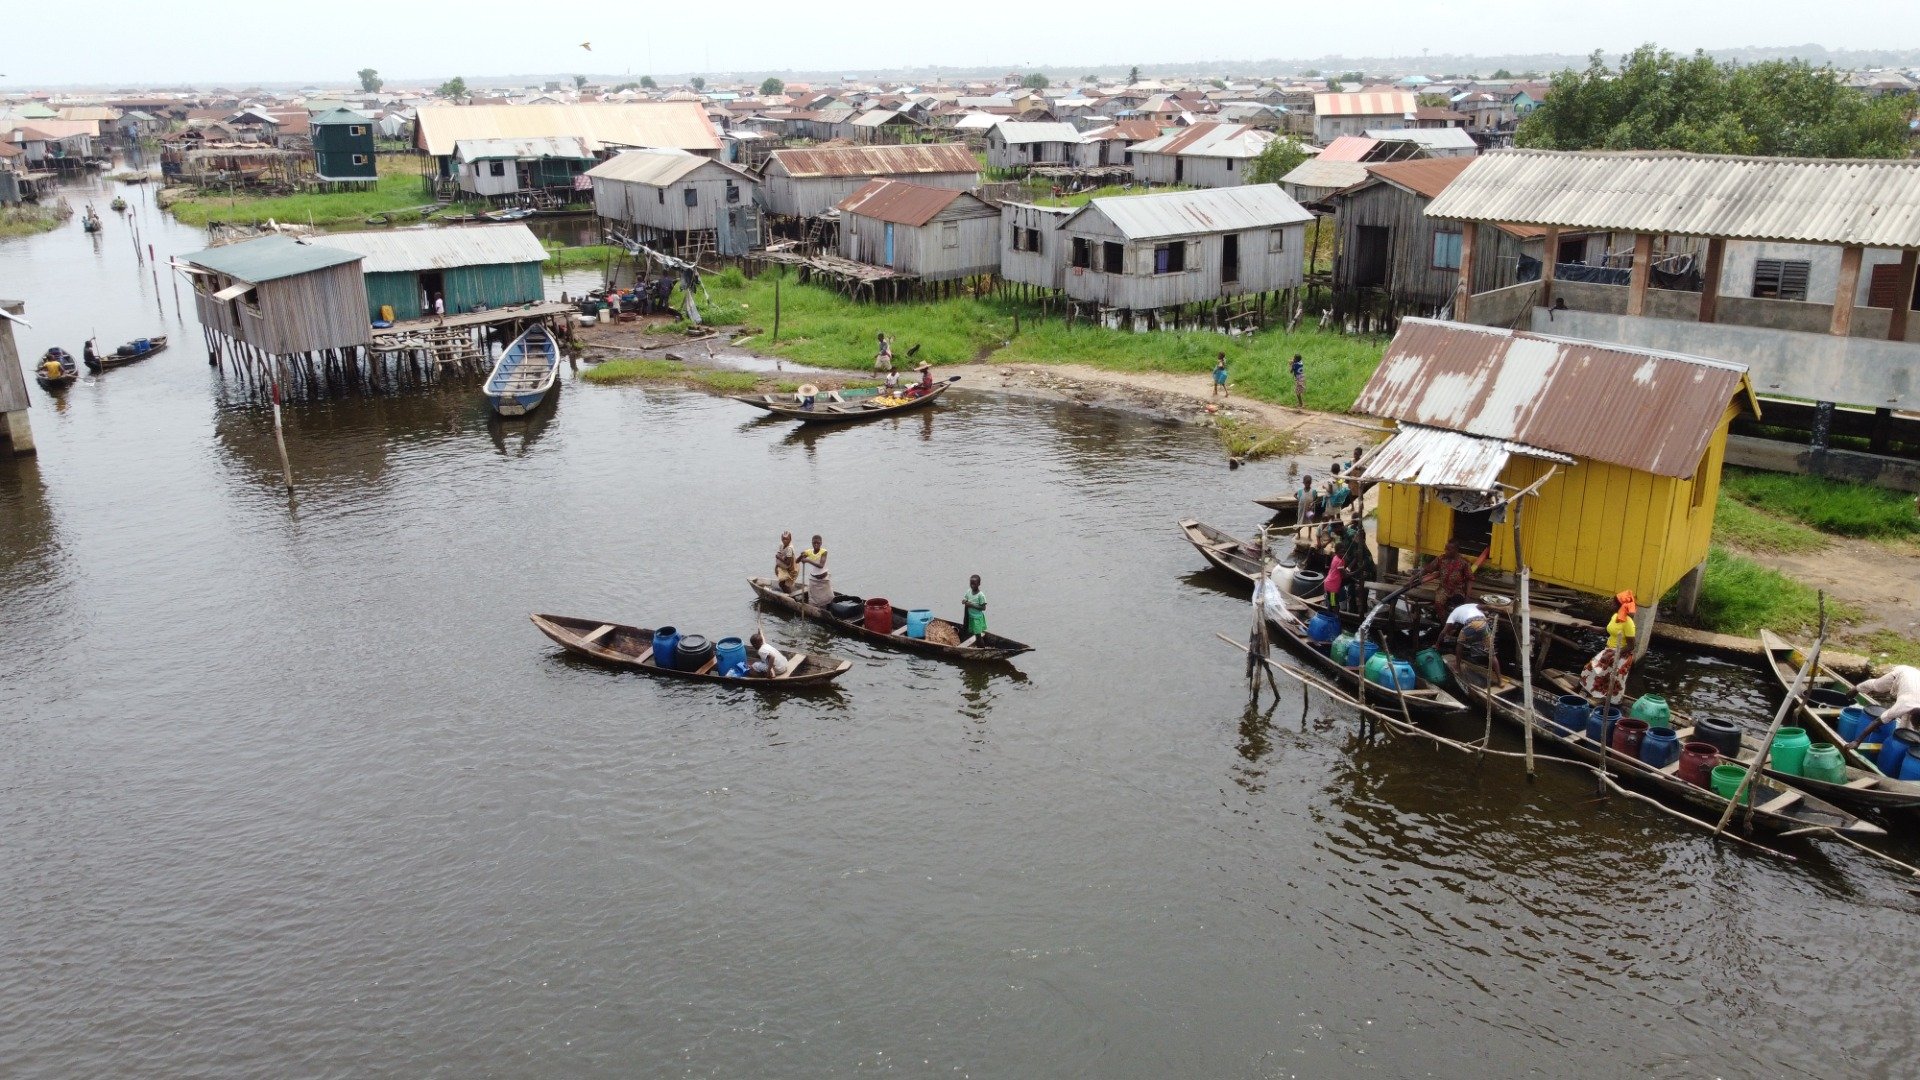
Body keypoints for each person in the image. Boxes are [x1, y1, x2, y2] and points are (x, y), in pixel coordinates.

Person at [1580, 591, 1638, 706]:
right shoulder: (1615, 616)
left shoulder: (1628, 623)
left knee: (1614, 680)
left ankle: (1609, 701)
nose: (1611, 605)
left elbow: (1631, 646)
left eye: (1613, 603)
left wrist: (1614, 653)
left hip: (1623, 654)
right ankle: (1593, 692)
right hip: (1610, 650)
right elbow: (1605, 630)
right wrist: (1587, 626)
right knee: (1590, 668)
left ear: (1620, 606)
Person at [1849, 665, 1920, 748]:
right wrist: (1857, 741)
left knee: (1907, 728)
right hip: (1901, 673)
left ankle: (1903, 744)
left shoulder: (1908, 707)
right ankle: (1856, 688)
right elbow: (1877, 721)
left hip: (1914, 680)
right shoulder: (1903, 705)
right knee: (1877, 686)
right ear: (1912, 715)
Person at [1437, 595, 1500, 683]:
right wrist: (1498, 608)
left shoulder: (1454, 612)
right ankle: (1500, 681)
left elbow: (1443, 632)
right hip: (1483, 624)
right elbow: (1487, 606)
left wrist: (1437, 644)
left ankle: (1458, 668)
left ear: (1452, 605)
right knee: (1491, 653)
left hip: (1471, 623)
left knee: (1459, 644)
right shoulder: (1472, 605)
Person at [1419, 540, 1478, 619]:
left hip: (1458, 589)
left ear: (1456, 550)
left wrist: (1468, 596)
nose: (1446, 551)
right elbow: (1428, 569)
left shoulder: (1464, 562)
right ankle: (1445, 624)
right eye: (1445, 549)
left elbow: (1470, 579)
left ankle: (1457, 622)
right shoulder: (1441, 559)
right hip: (1443, 588)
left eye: (1448, 549)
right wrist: (1414, 577)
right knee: (1438, 604)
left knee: (1458, 606)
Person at [1341, 523, 1376, 614]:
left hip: (1333, 587)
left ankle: (1350, 611)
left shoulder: (1338, 561)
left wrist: (1349, 572)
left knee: (1355, 593)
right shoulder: (1340, 562)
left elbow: (1359, 561)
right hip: (1335, 586)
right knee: (1354, 593)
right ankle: (1352, 612)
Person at [799, 535, 831, 607]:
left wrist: (807, 560)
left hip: (824, 580)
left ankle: (825, 610)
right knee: (813, 602)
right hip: (813, 580)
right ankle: (815, 611)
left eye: (818, 543)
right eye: (814, 543)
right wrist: (801, 556)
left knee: (827, 600)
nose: (816, 545)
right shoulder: (809, 552)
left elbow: (821, 565)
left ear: (821, 543)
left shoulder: (824, 552)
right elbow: (797, 561)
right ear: (812, 543)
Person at [962, 575, 988, 641]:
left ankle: (982, 649)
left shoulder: (981, 595)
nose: (972, 585)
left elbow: (983, 608)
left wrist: (971, 605)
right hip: (970, 617)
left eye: (974, 584)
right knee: (969, 631)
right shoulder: (969, 591)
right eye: (971, 584)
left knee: (978, 636)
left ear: (979, 584)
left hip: (977, 618)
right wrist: (964, 601)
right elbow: (965, 598)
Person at [773, 531, 800, 595]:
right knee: (783, 583)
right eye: (783, 539)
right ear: (781, 539)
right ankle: (789, 594)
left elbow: (788, 563)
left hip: (792, 569)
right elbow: (779, 554)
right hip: (784, 567)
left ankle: (790, 596)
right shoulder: (781, 545)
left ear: (790, 539)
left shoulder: (790, 548)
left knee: (782, 584)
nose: (785, 541)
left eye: (787, 539)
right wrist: (777, 565)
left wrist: (779, 557)